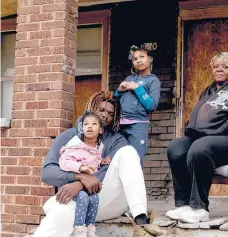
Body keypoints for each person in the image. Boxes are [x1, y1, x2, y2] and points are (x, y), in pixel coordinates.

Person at [33, 92, 150, 237]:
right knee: (59, 214)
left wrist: (81, 184)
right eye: (101, 110)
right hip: (75, 199)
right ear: (91, 109)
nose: (105, 115)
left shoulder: (117, 141)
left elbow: (106, 171)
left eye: (110, 113)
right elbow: (47, 173)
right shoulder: (67, 137)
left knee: (129, 152)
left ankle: (141, 220)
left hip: (104, 199)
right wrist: (78, 178)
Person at [165, 52, 228, 224]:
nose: (219, 69)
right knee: (176, 148)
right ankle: (184, 204)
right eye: (215, 66)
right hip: (213, 140)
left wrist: (214, 131)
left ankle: (199, 208)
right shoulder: (210, 91)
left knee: (201, 147)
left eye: (224, 66)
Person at [58, 112, 110, 237]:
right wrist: (80, 167)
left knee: (94, 198)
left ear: (101, 130)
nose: (89, 126)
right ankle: (79, 229)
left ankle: (90, 227)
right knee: (82, 197)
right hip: (70, 185)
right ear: (82, 128)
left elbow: (93, 160)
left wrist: (101, 161)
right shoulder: (76, 145)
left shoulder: (99, 147)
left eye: (94, 124)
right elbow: (63, 162)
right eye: (86, 124)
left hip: (86, 186)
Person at [114, 45, 161, 166]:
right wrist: (118, 91)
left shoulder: (153, 80)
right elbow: (115, 100)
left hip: (138, 125)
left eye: (142, 57)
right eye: (135, 59)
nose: (138, 60)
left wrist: (137, 88)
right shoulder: (129, 78)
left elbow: (152, 106)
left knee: (134, 162)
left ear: (149, 59)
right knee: (117, 160)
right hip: (121, 124)